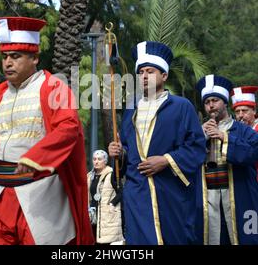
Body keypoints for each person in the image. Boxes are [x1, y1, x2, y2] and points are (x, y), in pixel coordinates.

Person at [0, 16, 94, 245]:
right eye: (4, 57)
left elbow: (69, 128)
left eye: (15, 56)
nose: (7, 63)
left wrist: (36, 157)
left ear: (34, 58)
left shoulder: (54, 87)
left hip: (39, 198)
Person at [108, 41, 206, 245]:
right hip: (137, 193)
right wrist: (119, 153)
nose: (144, 76)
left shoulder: (182, 107)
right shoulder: (130, 110)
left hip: (170, 192)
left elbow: (197, 147)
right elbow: (128, 149)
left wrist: (166, 160)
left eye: (150, 71)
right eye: (141, 71)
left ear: (164, 75)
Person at [196, 75, 258, 245]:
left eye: (215, 100)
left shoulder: (243, 130)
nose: (211, 105)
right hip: (208, 199)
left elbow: (254, 152)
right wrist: (202, 139)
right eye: (207, 102)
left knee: (246, 236)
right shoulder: (197, 132)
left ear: (225, 102)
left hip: (239, 195)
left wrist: (224, 137)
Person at [87, 149, 124, 244]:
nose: (96, 161)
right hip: (92, 215)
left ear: (105, 161)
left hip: (107, 215)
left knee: (105, 242)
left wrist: (112, 204)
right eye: (94, 159)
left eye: (99, 159)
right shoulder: (89, 176)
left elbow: (121, 192)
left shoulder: (111, 174)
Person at [231, 86, 258, 180]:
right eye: (237, 112)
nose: (241, 115)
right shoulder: (232, 132)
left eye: (244, 111)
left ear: (254, 111)